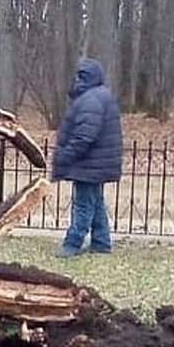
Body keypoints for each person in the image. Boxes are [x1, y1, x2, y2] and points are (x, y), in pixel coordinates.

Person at [51, 56, 124, 257]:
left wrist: (65, 155)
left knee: (83, 205)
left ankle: (72, 244)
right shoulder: (99, 96)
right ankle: (101, 242)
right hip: (95, 164)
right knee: (96, 202)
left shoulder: (91, 100)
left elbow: (84, 137)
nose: (76, 79)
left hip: (89, 164)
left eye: (80, 76)